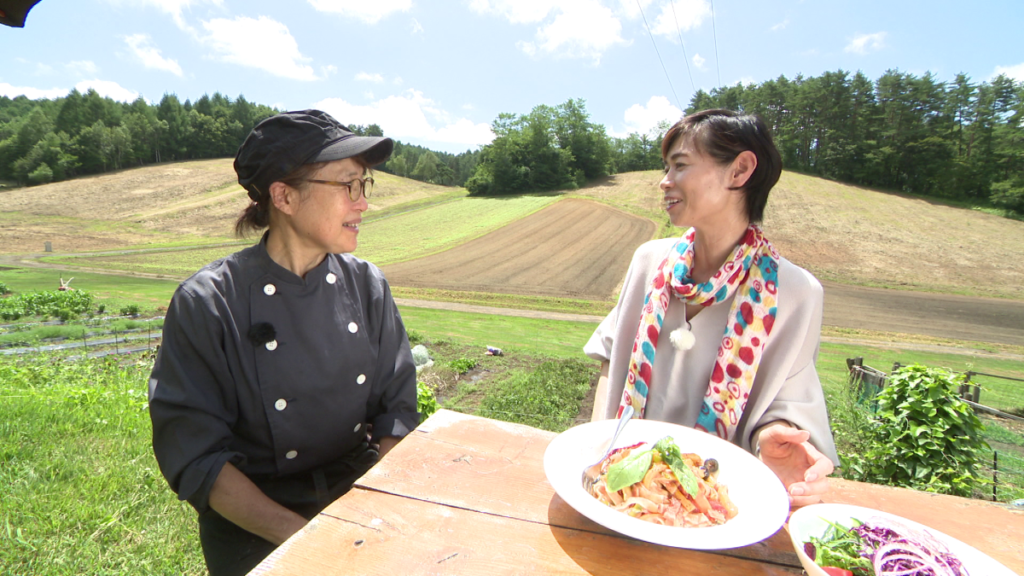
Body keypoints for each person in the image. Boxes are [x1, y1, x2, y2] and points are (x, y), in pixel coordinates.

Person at [148, 109, 419, 575]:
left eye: (364, 186)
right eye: (347, 186)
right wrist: (309, 541)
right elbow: (198, 457)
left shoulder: (366, 286)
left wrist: (377, 511)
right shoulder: (210, 303)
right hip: (254, 518)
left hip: (358, 491)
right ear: (285, 197)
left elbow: (395, 411)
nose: (363, 204)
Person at [585, 108, 837, 507]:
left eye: (680, 165)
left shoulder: (796, 293)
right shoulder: (650, 262)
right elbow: (609, 358)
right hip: (616, 492)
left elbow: (788, 404)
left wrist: (775, 439)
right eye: (666, 167)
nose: (664, 181)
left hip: (712, 513)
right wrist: (596, 448)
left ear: (739, 171)